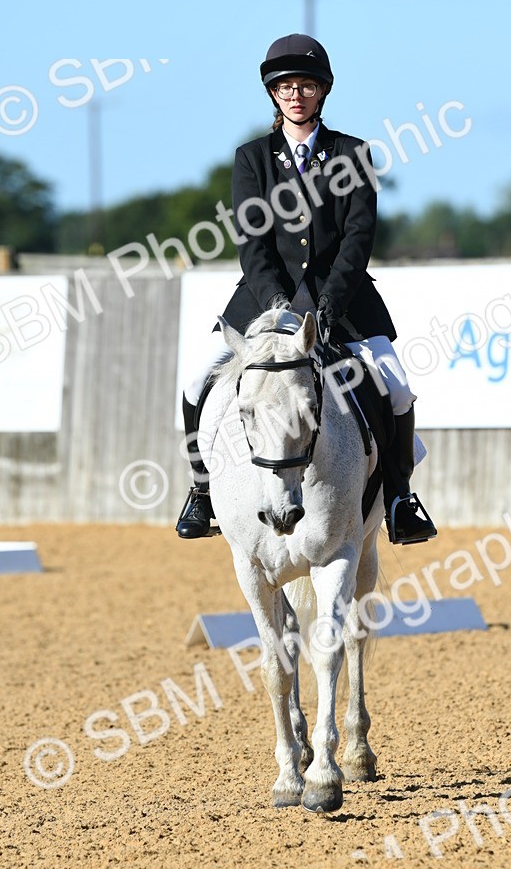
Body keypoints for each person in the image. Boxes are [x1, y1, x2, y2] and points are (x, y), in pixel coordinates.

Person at [176, 33, 437, 546]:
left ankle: (400, 498)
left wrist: (328, 304)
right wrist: (277, 305)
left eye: (307, 86)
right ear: (274, 94)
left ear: (323, 91)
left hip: (344, 299)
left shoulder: (353, 153)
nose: (296, 95)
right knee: (196, 379)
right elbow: (252, 240)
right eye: (286, 87)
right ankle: (201, 489)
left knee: (397, 386)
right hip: (262, 298)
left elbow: (358, 238)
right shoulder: (252, 158)